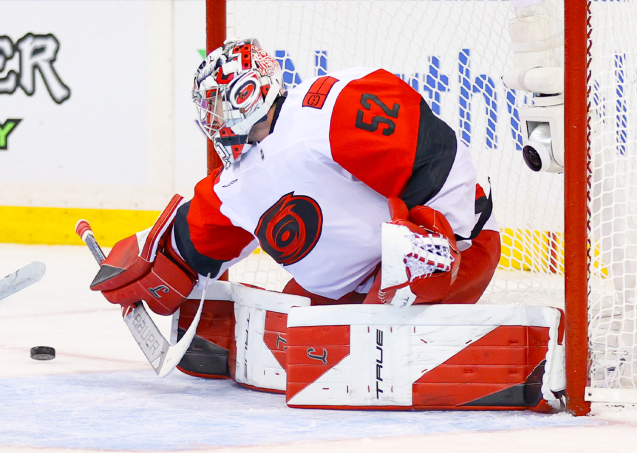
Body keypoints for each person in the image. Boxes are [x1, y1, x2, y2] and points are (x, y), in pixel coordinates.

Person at [89, 40, 501, 388]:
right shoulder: (232, 184)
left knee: (363, 355)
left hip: (444, 255)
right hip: (355, 286)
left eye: (217, 105)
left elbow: (437, 152)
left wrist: (440, 237)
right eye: (207, 110)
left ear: (249, 92)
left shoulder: (324, 108)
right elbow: (193, 241)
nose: (211, 120)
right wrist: (153, 257)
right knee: (293, 347)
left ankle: (484, 360)